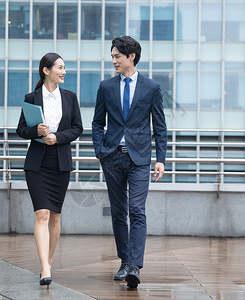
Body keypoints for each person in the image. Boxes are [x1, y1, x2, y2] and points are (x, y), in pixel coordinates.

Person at [92, 36, 167, 288]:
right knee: (117, 212)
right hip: (112, 156)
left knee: (136, 210)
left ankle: (135, 265)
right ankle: (125, 261)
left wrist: (160, 160)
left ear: (131, 56)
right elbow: (96, 122)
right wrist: (100, 150)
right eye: (112, 56)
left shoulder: (152, 88)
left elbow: (160, 127)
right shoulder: (106, 87)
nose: (113, 60)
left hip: (139, 159)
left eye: (116, 56)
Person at [17, 53, 82, 287]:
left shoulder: (70, 97)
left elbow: (77, 128)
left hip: (60, 163)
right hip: (37, 164)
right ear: (46, 70)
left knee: (55, 215)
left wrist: (57, 137)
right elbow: (21, 129)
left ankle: (50, 260)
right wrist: (38, 132)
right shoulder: (31, 98)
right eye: (60, 68)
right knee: (41, 213)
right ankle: (44, 267)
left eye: (64, 68)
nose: (64, 72)